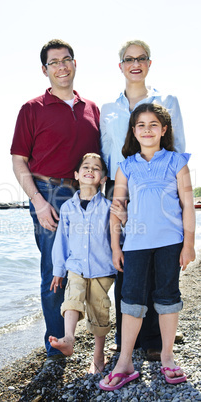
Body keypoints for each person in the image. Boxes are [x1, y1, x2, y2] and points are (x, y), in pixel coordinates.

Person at [10, 40, 100, 366]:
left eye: (66, 60)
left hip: (88, 196)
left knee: (92, 269)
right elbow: (19, 161)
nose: (62, 66)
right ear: (45, 70)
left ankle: (80, 334)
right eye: (54, 62)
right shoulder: (32, 109)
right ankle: (56, 347)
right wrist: (37, 201)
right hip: (49, 196)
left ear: (75, 64)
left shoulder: (92, 108)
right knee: (55, 271)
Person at [99, 103, 195, 391]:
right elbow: (118, 209)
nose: (147, 130)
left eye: (154, 124)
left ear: (164, 130)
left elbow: (188, 205)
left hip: (170, 241)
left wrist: (189, 243)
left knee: (167, 296)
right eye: (140, 125)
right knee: (132, 300)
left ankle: (167, 356)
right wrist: (116, 247)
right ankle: (125, 362)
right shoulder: (126, 166)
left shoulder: (177, 162)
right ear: (133, 131)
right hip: (136, 244)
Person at [100, 39, 186, 360]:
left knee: (157, 262)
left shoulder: (168, 101)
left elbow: (178, 146)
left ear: (149, 63)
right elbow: (106, 151)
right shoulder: (108, 110)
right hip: (120, 188)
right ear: (120, 66)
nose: (135, 63)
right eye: (128, 59)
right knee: (127, 263)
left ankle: (153, 339)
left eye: (141, 58)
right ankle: (127, 338)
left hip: (159, 187)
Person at [48, 153, 117, 374]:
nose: (90, 170)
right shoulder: (68, 208)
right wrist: (58, 270)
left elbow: (116, 236)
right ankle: (69, 338)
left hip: (102, 268)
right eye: (85, 167)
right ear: (77, 175)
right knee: (72, 298)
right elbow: (62, 240)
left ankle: (99, 354)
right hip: (75, 266)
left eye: (96, 168)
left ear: (103, 178)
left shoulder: (108, 207)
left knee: (99, 310)